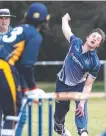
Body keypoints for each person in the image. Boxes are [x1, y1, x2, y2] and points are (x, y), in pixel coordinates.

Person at [0, 2, 50, 136]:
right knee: (12, 112)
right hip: (3, 67)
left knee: (11, 110)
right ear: (45, 20)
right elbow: (26, 66)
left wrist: (25, 88)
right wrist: (33, 88)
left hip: (6, 67)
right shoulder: (34, 35)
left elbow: (19, 66)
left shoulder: (20, 28)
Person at [53, 13, 106, 136]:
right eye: (94, 36)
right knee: (60, 113)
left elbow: (88, 86)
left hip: (79, 85)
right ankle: (59, 127)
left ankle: (83, 131)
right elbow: (67, 30)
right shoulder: (75, 43)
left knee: (81, 109)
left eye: (98, 39)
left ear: (98, 45)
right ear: (88, 37)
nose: (95, 39)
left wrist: (81, 102)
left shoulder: (95, 62)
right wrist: (64, 19)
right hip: (62, 83)